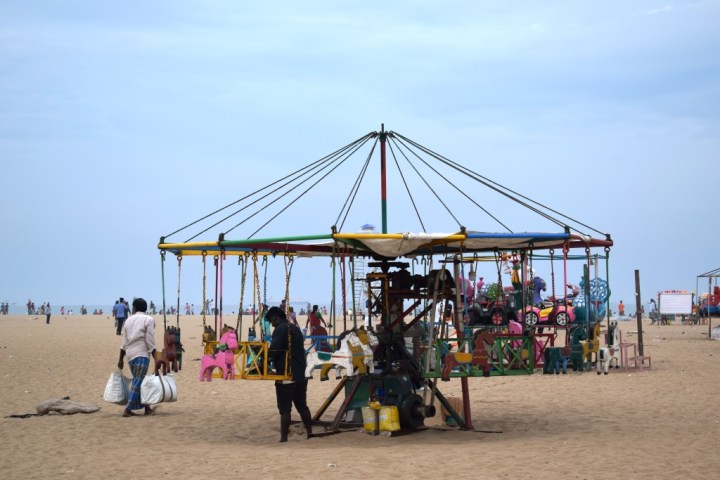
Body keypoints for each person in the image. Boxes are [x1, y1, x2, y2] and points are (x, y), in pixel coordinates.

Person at [266, 306, 313, 442]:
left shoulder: (280, 329)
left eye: (271, 321)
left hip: (287, 374)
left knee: (285, 409)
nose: (272, 324)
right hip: (301, 373)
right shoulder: (295, 328)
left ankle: (283, 438)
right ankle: (309, 432)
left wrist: (265, 357)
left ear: (275, 317)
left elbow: (275, 350)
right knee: (302, 405)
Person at [117, 297, 157, 417]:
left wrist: (120, 359)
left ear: (134, 308)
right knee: (139, 380)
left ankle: (147, 408)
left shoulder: (128, 320)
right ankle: (128, 409)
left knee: (140, 380)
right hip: (142, 353)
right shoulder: (149, 319)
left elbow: (124, 342)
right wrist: (156, 357)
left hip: (130, 354)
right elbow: (150, 340)